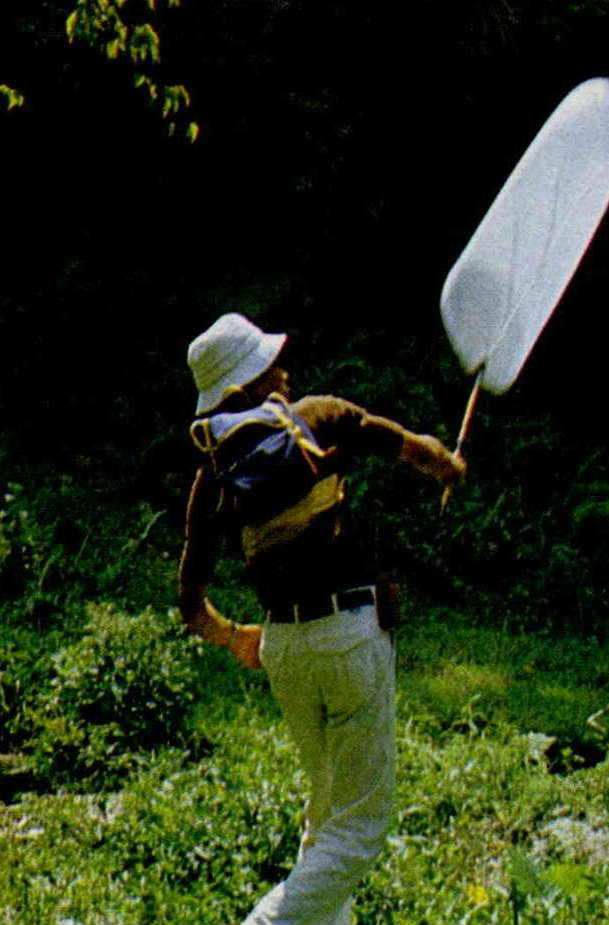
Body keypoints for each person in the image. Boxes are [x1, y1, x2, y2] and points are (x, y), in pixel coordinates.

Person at [176, 312, 465, 925]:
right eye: (271, 364)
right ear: (253, 383)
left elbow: (190, 607)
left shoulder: (212, 475)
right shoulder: (320, 416)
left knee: (327, 814)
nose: (283, 371)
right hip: (349, 636)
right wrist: (450, 468)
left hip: (285, 648)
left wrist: (235, 637)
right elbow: (420, 451)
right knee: (360, 830)